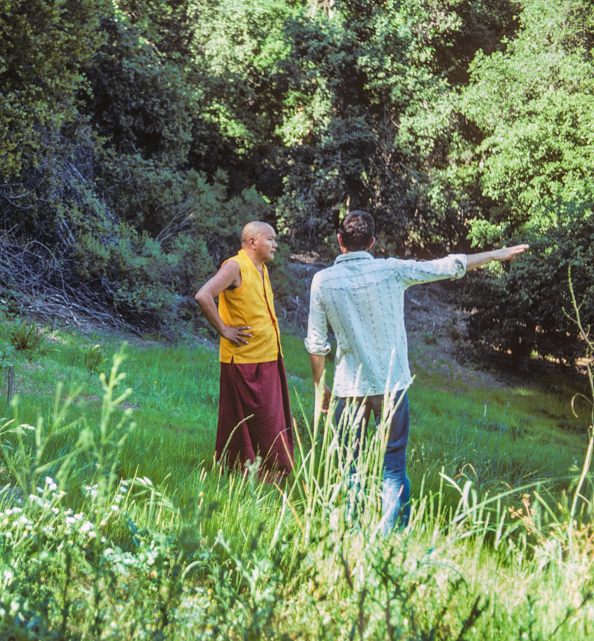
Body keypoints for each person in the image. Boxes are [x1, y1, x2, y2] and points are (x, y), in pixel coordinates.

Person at [305, 210, 528, 534]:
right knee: (392, 468)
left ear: (340, 241)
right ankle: (391, 539)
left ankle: (349, 536)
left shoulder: (322, 281)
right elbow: (446, 265)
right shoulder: (391, 270)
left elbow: (316, 344)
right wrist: (496, 254)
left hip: (348, 389)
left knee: (349, 468)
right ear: (372, 242)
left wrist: (319, 388)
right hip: (391, 386)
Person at [195, 221, 294, 481]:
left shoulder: (261, 268)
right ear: (253, 242)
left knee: (269, 418)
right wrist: (224, 330)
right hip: (243, 359)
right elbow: (203, 296)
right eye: (270, 239)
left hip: (268, 355)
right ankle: (242, 471)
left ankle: (268, 472)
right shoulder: (235, 266)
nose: (275, 244)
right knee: (250, 419)